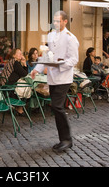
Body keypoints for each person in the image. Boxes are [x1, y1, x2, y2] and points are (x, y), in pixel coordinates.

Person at [30, 11, 79, 152]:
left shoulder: (71, 38)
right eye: (54, 21)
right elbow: (46, 56)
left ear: (65, 22)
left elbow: (73, 59)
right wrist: (36, 69)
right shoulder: (50, 35)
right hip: (52, 78)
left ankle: (67, 139)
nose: (56, 23)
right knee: (56, 108)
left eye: (58, 21)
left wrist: (60, 65)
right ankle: (63, 139)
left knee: (57, 107)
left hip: (63, 77)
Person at [1, 48, 28, 115]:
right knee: (25, 88)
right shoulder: (15, 62)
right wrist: (24, 64)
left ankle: (19, 108)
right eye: (19, 53)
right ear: (14, 55)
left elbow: (23, 73)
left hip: (7, 85)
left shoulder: (14, 62)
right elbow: (24, 74)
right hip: (7, 86)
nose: (21, 55)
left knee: (23, 87)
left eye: (21, 53)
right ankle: (19, 108)